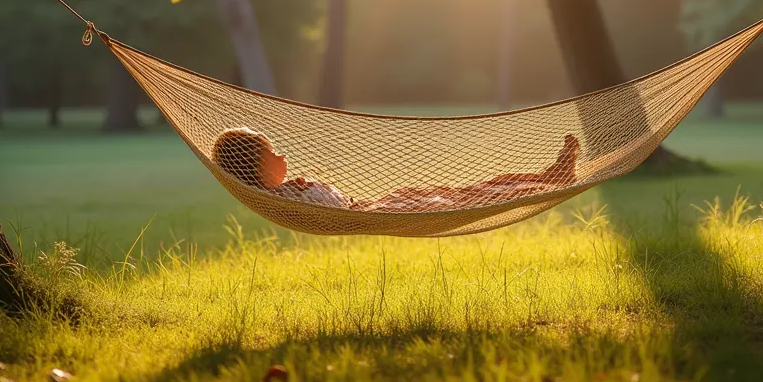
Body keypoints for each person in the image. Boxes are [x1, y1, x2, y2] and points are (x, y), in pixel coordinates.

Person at [210, 127, 580, 212]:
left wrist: (300, 185)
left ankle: (549, 177)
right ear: (255, 168)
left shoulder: (286, 191)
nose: (281, 156)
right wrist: (302, 188)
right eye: (272, 152)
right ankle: (548, 182)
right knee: (475, 197)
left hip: (378, 203)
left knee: (471, 187)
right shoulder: (286, 199)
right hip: (379, 211)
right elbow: (331, 208)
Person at [209, 127, 352, 208]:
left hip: (349, 207)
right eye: (273, 154)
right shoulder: (280, 199)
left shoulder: (279, 194)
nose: (282, 156)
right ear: (259, 168)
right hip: (347, 210)